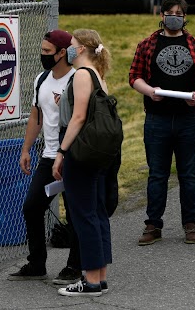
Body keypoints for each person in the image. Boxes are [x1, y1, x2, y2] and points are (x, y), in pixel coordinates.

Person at [129, 0, 195, 245]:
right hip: (157, 119)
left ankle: (190, 223)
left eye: (179, 12)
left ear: (185, 17)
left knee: (189, 174)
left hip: (189, 118)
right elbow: (134, 76)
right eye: (170, 12)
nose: (174, 16)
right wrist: (149, 91)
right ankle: (153, 224)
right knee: (157, 174)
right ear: (162, 15)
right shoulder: (147, 44)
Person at [8, 30, 79, 284]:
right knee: (32, 207)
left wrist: (64, 152)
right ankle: (36, 263)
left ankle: (75, 266)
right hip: (48, 157)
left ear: (62, 53)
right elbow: (35, 116)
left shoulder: (76, 79)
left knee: (75, 213)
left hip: (72, 157)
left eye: (47, 52)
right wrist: (26, 149)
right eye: (42, 50)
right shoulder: (41, 79)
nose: (42, 55)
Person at [53, 29, 115, 297]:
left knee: (84, 214)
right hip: (100, 153)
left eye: (71, 45)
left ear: (80, 50)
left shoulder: (81, 74)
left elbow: (78, 118)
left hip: (82, 151)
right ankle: (99, 277)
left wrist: (61, 152)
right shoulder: (98, 76)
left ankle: (90, 281)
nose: (68, 48)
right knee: (97, 212)